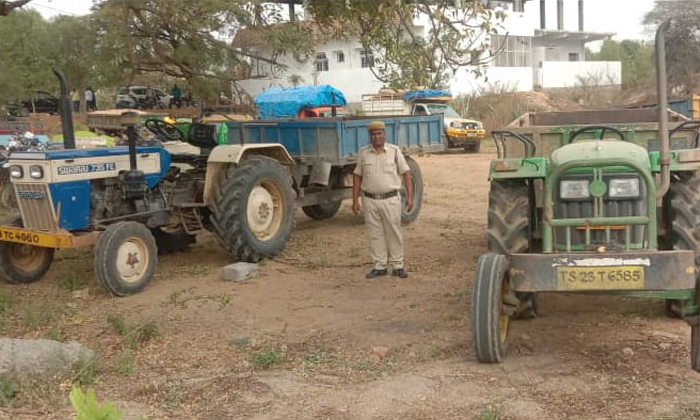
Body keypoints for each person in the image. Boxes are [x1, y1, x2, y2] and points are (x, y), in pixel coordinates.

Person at [352, 120, 413, 279]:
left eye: (379, 134)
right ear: (370, 136)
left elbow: (406, 173)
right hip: (370, 200)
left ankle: (398, 265)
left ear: (384, 135)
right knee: (375, 234)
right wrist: (355, 200)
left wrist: (410, 197)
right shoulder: (364, 153)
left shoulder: (394, 151)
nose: (376, 137)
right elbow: (357, 176)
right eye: (373, 134)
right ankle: (379, 266)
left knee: (393, 232)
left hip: (390, 199)